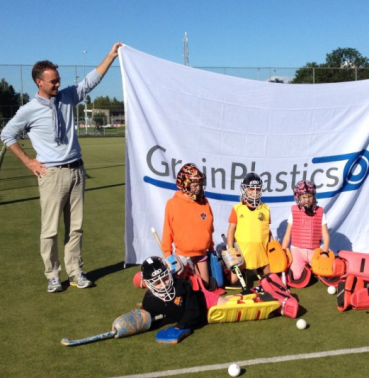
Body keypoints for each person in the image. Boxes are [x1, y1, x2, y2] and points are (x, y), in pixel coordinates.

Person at [0, 43, 123, 293]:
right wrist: (29, 161)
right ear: (39, 82)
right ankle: (53, 275)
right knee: (50, 229)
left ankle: (76, 272)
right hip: (51, 174)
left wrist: (110, 56)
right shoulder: (28, 110)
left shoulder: (67, 96)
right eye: (53, 81)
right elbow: (7, 134)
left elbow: (91, 81)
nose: (58, 84)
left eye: (58, 80)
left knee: (76, 227)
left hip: (77, 170)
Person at [140, 256, 283, 343]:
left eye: (165, 278)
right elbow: (154, 315)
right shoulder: (149, 301)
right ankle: (257, 289)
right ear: (149, 284)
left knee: (233, 305)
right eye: (158, 282)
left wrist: (180, 326)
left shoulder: (182, 286)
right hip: (196, 313)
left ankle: (269, 292)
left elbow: (194, 311)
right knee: (232, 301)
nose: (164, 284)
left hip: (205, 302)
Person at [161, 163, 214, 289]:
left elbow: (209, 228)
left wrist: (211, 248)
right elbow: (167, 230)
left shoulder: (204, 202)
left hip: (201, 253)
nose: (199, 188)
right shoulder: (173, 204)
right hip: (182, 255)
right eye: (195, 185)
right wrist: (168, 255)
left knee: (204, 287)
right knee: (182, 288)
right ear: (184, 185)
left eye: (200, 185)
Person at [281, 180, 330, 288]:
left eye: (309, 196)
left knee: (327, 272)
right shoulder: (294, 212)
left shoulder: (320, 212)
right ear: (298, 198)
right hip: (297, 250)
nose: (307, 200)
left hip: (314, 250)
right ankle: (304, 267)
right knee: (296, 276)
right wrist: (283, 251)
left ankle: (311, 268)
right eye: (303, 197)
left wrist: (325, 252)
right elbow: (287, 235)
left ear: (314, 196)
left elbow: (325, 235)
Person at [227, 172, 271, 279]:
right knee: (233, 280)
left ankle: (259, 269)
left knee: (271, 277)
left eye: (258, 189)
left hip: (261, 252)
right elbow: (231, 230)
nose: (255, 192)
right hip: (242, 252)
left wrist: (272, 245)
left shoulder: (265, 208)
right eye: (251, 189)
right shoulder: (237, 208)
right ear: (244, 189)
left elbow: (268, 231)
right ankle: (244, 271)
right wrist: (230, 248)